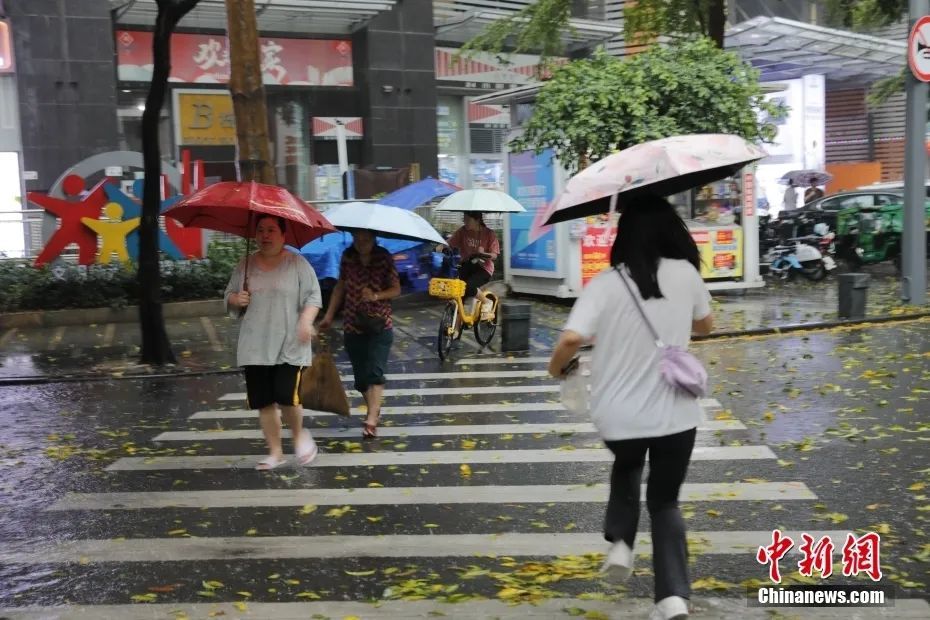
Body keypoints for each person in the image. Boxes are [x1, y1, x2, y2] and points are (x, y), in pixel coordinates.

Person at [547, 195, 713, 620]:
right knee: (665, 501)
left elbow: (570, 340)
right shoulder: (686, 273)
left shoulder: (604, 284)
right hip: (677, 412)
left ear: (624, 236)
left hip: (619, 413)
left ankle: (621, 541)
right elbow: (705, 324)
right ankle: (673, 597)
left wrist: (555, 369)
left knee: (627, 465)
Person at [225, 215, 323, 470]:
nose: (265, 235)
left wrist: (305, 321)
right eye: (260, 230)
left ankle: (300, 435)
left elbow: (313, 297)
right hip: (255, 345)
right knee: (264, 401)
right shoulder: (244, 265)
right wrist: (237, 299)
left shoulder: (297, 264)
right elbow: (228, 296)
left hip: (290, 342)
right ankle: (276, 452)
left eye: (271, 230)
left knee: (286, 395)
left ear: (283, 235)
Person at [319, 229, 400, 439]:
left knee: (375, 371)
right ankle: (374, 407)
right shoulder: (348, 256)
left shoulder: (383, 257)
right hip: (353, 324)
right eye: (357, 238)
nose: (361, 242)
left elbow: (396, 289)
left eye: (365, 238)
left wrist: (375, 295)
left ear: (374, 238)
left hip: (379, 324)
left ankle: (372, 418)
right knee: (361, 380)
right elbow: (340, 287)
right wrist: (328, 315)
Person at [442, 211, 500, 318]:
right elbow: (449, 242)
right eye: (464, 218)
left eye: (467, 219)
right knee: (458, 295)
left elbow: (494, 255)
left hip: (483, 269)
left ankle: (487, 302)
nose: (464, 221)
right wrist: (438, 247)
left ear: (477, 220)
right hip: (467, 266)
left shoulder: (489, 234)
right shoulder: (462, 231)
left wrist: (484, 254)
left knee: (469, 287)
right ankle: (456, 331)